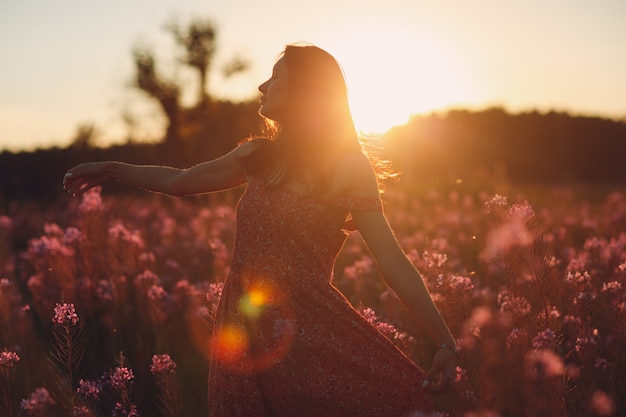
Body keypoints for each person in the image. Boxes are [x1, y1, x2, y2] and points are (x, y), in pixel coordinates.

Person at [63, 44, 457, 416]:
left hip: (314, 334)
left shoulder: (349, 167)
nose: (262, 86)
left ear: (305, 91)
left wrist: (444, 341)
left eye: (276, 77)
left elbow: (391, 261)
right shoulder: (259, 156)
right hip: (244, 332)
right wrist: (113, 170)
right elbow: (180, 180)